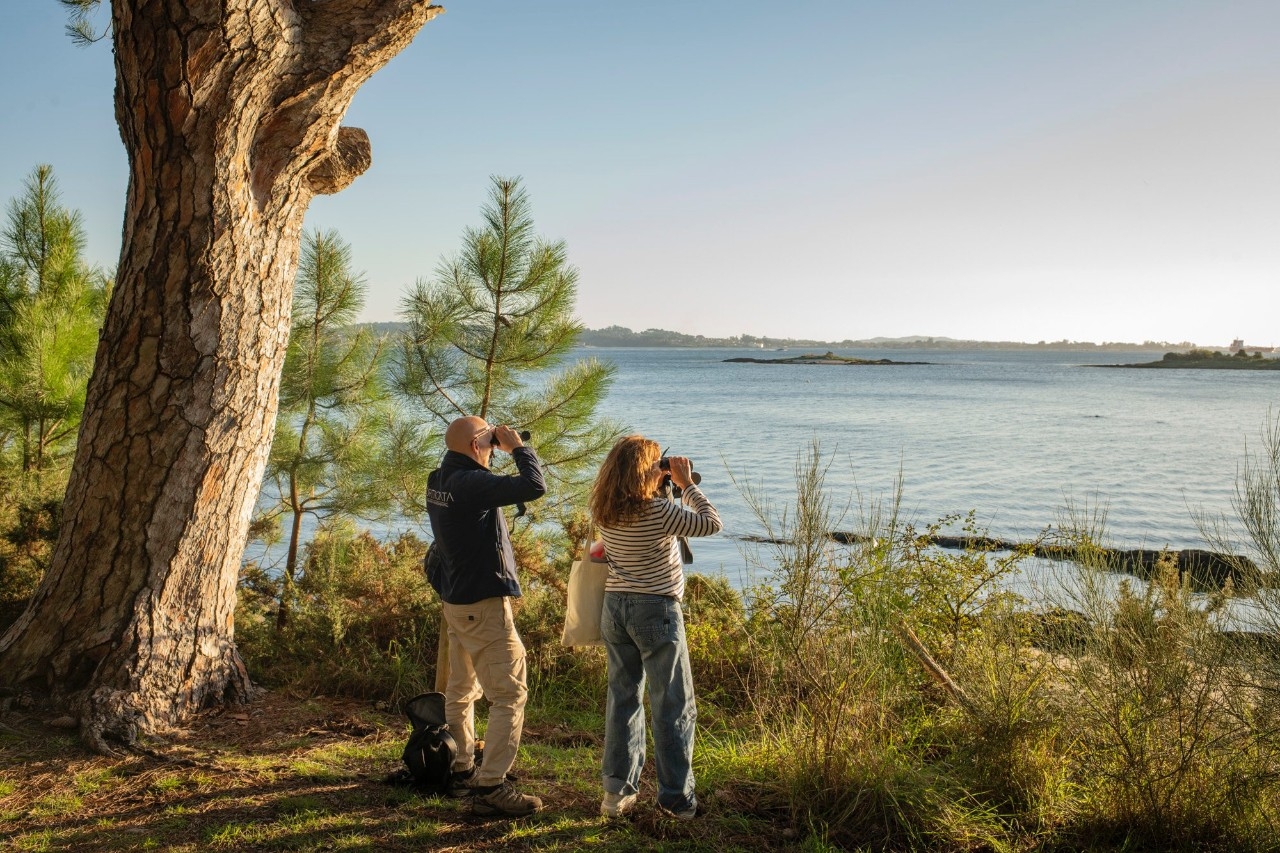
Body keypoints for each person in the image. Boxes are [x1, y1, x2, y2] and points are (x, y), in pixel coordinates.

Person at [588, 435, 723, 820]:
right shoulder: (659, 512)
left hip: (615, 608)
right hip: (657, 609)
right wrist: (686, 485)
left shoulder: (605, 510)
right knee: (672, 704)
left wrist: (663, 483)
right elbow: (712, 524)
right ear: (644, 472)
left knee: (623, 699)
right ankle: (675, 799)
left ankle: (616, 792)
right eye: (656, 465)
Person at [426, 416, 546, 817]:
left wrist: (491, 445)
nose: (494, 448)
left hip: (456, 601)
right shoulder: (471, 485)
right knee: (509, 694)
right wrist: (517, 448)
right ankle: (492, 784)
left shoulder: (439, 479)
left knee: (461, 690)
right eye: (489, 442)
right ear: (479, 443)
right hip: (482, 604)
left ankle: (461, 769)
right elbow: (534, 485)